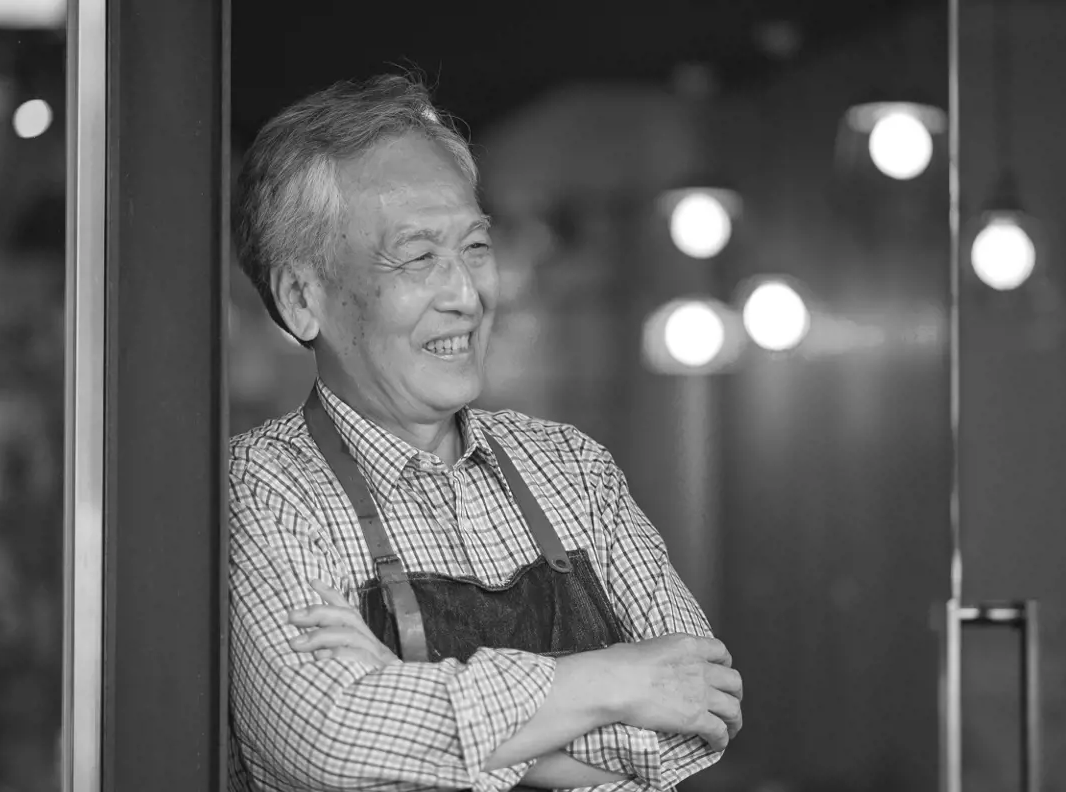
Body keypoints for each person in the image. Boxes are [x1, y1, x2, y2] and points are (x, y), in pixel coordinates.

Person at [227, 73, 743, 792]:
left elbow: (703, 708)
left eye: (474, 248)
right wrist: (616, 677)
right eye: (417, 258)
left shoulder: (573, 468)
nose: (465, 295)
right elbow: (333, 744)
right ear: (301, 298)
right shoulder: (264, 488)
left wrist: (403, 691)